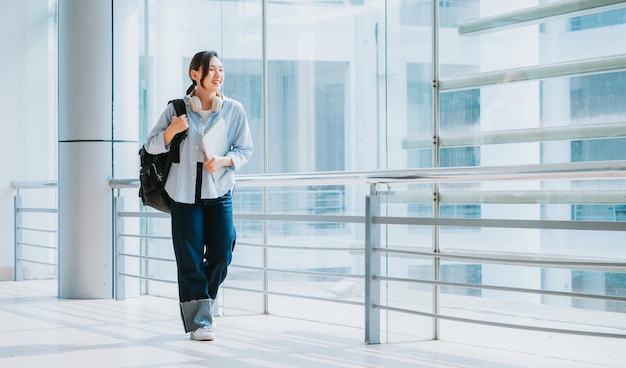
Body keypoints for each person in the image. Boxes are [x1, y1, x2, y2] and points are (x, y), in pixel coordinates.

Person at [144, 50, 253, 341]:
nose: (218, 75)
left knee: (222, 252)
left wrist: (224, 161)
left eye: (221, 69)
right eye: (212, 70)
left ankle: (200, 304)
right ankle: (200, 322)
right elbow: (151, 146)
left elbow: (245, 150)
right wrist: (170, 132)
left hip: (219, 190)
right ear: (196, 74)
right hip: (183, 194)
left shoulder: (233, 109)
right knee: (189, 259)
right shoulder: (177, 108)